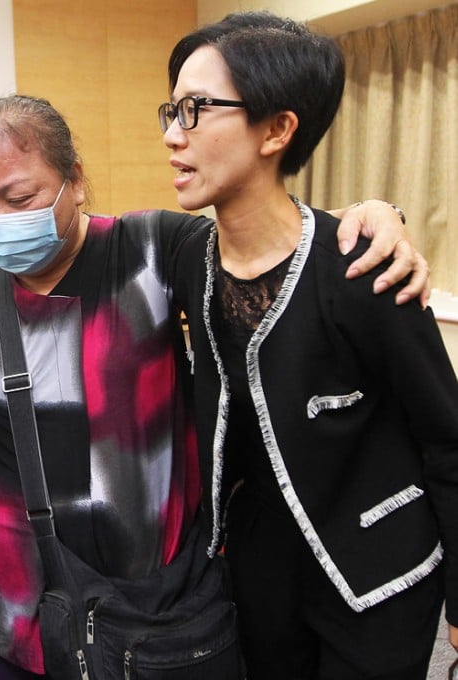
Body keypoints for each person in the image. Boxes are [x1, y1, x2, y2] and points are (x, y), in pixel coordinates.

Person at [0, 93, 425, 678]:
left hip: (151, 612)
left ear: (74, 181)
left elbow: (271, 247)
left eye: (20, 198)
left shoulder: (151, 251)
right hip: (10, 605)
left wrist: (373, 215)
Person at [162, 12, 458, 679]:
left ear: (277, 129)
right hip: (262, 570)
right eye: (170, 111)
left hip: (378, 573)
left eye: (195, 111)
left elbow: (448, 440)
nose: (172, 136)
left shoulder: (364, 268)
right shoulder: (190, 262)